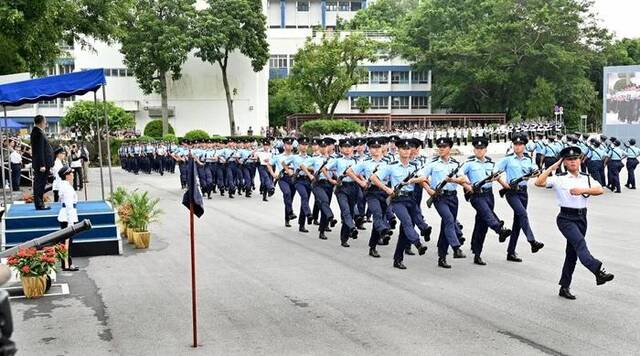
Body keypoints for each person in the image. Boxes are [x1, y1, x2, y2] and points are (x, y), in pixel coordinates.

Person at [534, 147, 614, 300]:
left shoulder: (586, 177)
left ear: (580, 160)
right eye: (569, 160)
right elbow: (539, 182)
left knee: (572, 253)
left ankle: (564, 287)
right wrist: (551, 167)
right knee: (580, 244)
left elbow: (599, 190)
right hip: (566, 218)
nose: (573, 162)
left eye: (576, 159)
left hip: (582, 217)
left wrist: (583, 190)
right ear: (564, 162)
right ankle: (598, 270)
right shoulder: (559, 178)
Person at [460, 137, 512, 265]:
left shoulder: (490, 164)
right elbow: (459, 176)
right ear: (474, 150)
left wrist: (502, 183)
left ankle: (477, 252)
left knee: (482, 224)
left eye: (481, 149)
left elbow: (497, 176)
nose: (479, 151)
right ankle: (499, 229)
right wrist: (468, 186)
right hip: (476, 195)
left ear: (485, 150)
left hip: (489, 195)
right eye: (477, 149)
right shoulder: (469, 163)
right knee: (487, 214)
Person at [496, 134, 545, 262]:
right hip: (511, 192)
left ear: (524, 146)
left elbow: (535, 172)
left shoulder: (528, 160)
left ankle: (511, 252)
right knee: (523, 214)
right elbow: (494, 172)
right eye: (515, 144)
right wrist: (503, 184)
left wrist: (535, 174)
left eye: (520, 144)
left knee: (518, 222)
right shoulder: (507, 159)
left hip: (523, 192)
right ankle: (532, 241)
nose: (517, 146)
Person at [421, 137, 466, 269]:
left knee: (446, 225)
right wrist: (428, 189)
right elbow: (422, 177)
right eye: (439, 146)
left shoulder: (455, 164)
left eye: (444, 146)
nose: (441, 148)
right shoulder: (432, 163)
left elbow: (463, 178)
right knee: (449, 219)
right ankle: (456, 247)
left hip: (452, 197)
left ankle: (442, 257)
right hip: (439, 197)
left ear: (449, 149)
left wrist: (453, 180)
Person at [57, 166, 79, 271]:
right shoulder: (67, 188)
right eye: (71, 173)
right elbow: (69, 205)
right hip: (67, 216)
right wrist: (71, 222)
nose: (73, 175)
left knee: (67, 242)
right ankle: (66, 265)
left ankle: (67, 263)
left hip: (66, 215)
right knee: (67, 242)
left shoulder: (65, 186)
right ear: (67, 175)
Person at [30, 115, 54, 210]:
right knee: (40, 183)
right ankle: (39, 204)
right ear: (41, 122)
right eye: (45, 122)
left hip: (43, 163)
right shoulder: (38, 133)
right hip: (41, 164)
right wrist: (42, 164)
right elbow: (39, 150)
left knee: (41, 183)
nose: (46, 124)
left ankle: (40, 203)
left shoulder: (38, 132)